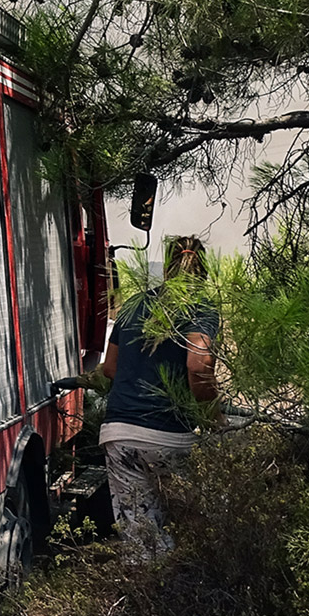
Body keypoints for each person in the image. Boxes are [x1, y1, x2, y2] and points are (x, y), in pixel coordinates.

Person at [97, 236, 218, 562]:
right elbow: (198, 364)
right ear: (205, 272)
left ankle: (145, 599)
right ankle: (182, 598)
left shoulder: (135, 304)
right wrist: (212, 414)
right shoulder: (201, 309)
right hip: (171, 436)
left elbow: (110, 368)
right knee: (186, 526)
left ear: (165, 270)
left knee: (140, 535)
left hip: (121, 434)